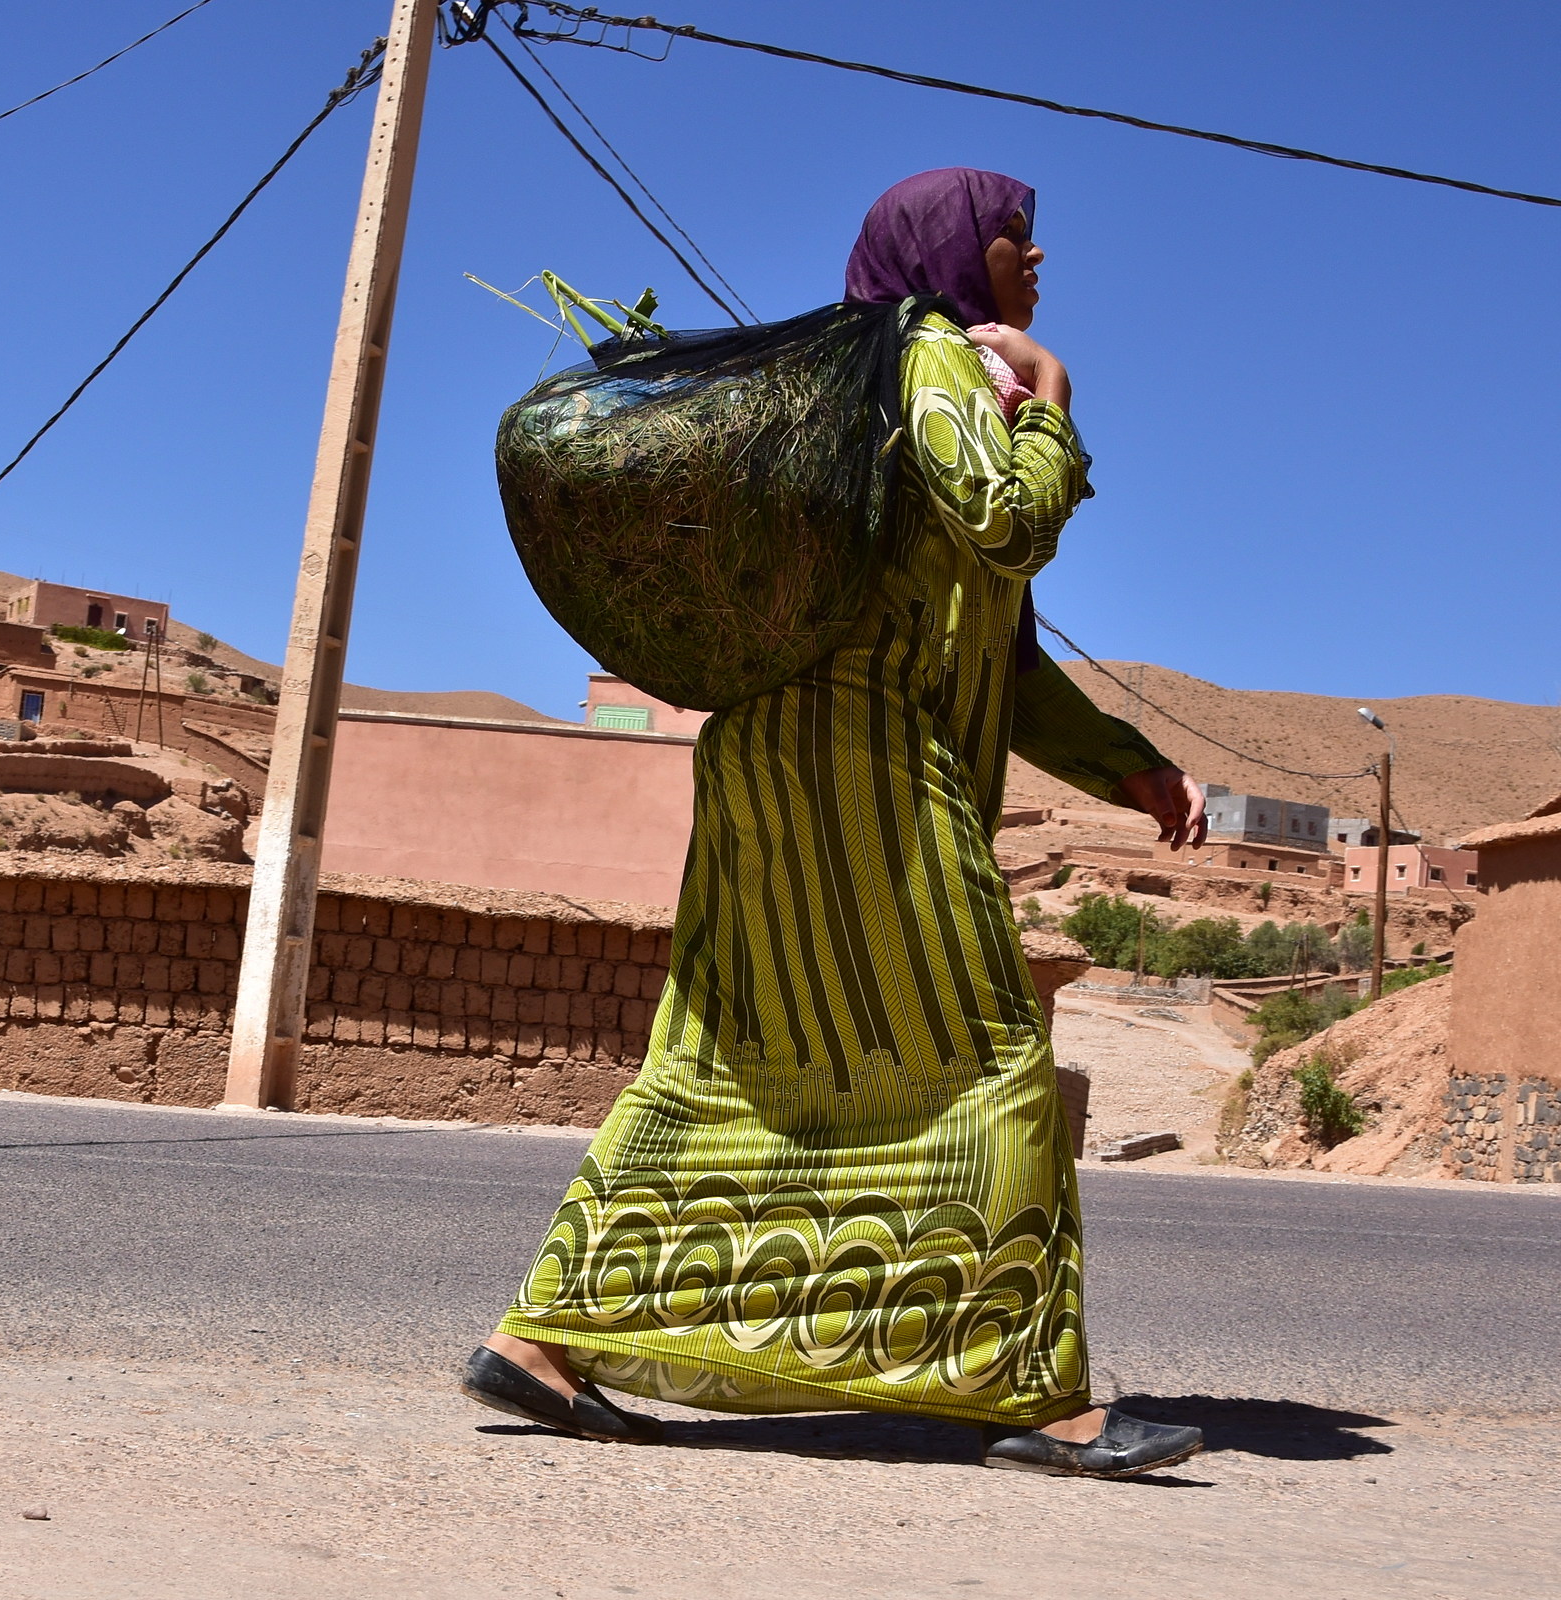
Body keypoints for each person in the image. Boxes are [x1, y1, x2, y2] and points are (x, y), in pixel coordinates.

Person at [462, 168, 1211, 1479]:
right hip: (862, 757)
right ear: (951, 251)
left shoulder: (882, 381)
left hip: (775, 756)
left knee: (720, 1061)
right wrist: (1053, 398)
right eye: (1015, 239)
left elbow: (1009, 660)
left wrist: (1134, 769)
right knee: (989, 1053)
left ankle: (547, 1342)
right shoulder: (933, 356)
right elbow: (1009, 516)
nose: (1035, 263)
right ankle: (1035, 1395)